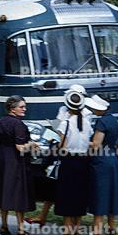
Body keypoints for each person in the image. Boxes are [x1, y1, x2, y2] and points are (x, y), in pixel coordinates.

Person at [25, 85, 90, 227]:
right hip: (68, 152)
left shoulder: (84, 115)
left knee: (68, 189)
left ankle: (69, 225)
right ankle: (44, 217)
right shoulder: (66, 111)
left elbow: (65, 132)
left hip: (65, 153)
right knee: (52, 184)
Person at [0, 96, 38, 235]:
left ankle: (4, 225)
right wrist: (32, 144)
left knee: (4, 190)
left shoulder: (2, 121)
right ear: (13, 109)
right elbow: (20, 148)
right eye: (22, 107)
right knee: (19, 193)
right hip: (16, 161)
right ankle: (21, 228)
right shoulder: (18, 124)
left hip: (3, 158)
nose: (25, 109)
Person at [54, 90, 94, 235]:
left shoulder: (65, 123)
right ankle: (76, 231)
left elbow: (61, 145)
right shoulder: (86, 122)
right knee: (79, 197)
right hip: (83, 161)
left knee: (66, 197)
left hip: (69, 161)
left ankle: (66, 234)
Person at [83, 96, 118, 235]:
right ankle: (111, 228)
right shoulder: (113, 119)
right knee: (111, 193)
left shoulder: (102, 122)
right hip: (112, 158)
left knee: (99, 195)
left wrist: (81, 140)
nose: (92, 110)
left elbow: (96, 145)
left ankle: (97, 231)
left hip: (101, 161)